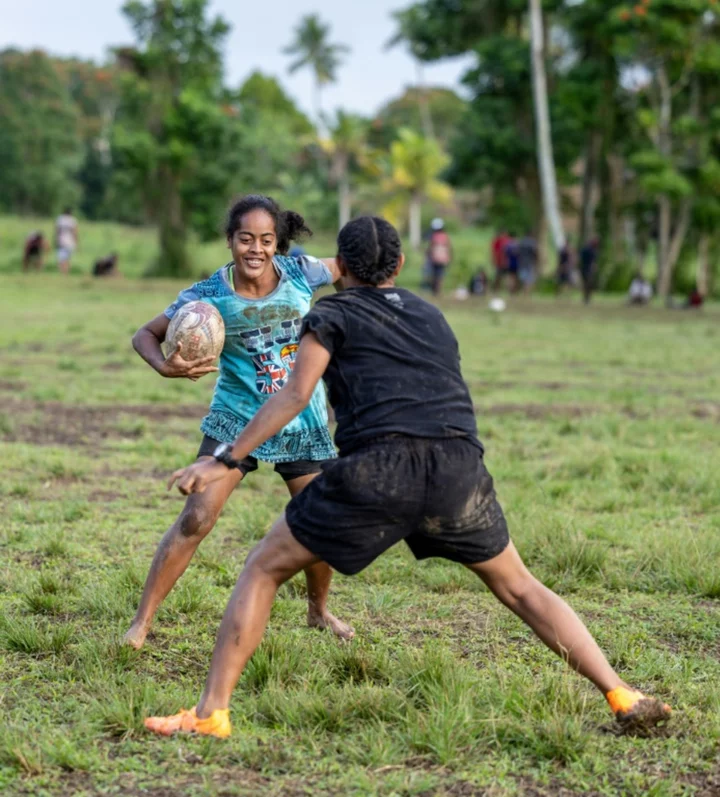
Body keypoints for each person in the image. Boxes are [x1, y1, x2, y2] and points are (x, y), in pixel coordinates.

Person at [144, 216, 671, 739]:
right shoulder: (431, 314)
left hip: (379, 472)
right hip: (458, 471)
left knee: (261, 569)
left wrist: (226, 459)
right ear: (398, 265)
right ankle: (622, 692)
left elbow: (294, 394)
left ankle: (212, 713)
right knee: (522, 589)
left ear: (342, 267)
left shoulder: (331, 315)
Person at [123, 194, 353, 651]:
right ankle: (141, 622)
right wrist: (164, 365)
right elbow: (143, 335)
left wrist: (356, 316)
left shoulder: (301, 272)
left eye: (267, 240)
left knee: (318, 522)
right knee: (196, 517)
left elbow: (349, 265)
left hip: (301, 419)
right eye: (245, 238)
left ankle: (318, 611)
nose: (256, 249)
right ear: (230, 240)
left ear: (278, 244)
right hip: (236, 421)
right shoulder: (209, 295)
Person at [427, 218, 452, 297]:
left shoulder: (433, 236)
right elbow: (449, 247)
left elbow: (431, 247)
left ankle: (435, 291)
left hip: (435, 258)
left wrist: (428, 254)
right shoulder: (445, 236)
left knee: (435, 274)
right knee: (440, 275)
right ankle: (437, 290)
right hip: (442, 259)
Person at [55, 207, 78, 274]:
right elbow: (75, 232)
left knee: (61, 258)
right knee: (68, 258)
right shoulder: (73, 220)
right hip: (70, 242)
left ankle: (62, 272)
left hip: (61, 241)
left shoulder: (60, 219)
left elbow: (57, 231)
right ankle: (66, 272)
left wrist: (56, 240)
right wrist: (76, 242)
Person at [580, 238, 599, 304]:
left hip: (585, 269)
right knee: (588, 284)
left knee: (586, 284)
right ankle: (587, 298)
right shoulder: (591, 250)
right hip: (587, 269)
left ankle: (586, 298)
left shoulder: (586, 249)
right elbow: (593, 262)